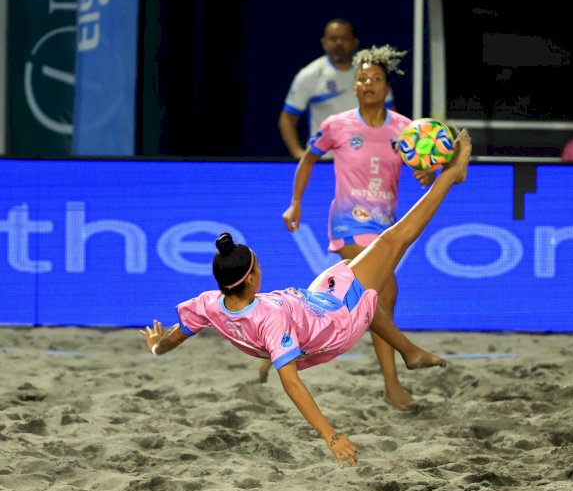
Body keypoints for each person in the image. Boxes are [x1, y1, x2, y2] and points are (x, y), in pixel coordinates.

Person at [140, 129, 472, 467]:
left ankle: (409, 351)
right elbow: (292, 384)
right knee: (395, 239)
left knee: (346, 267)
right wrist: (332, 436)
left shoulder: (209, 303)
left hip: (313, 301)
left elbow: (175, 337)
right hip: (333, 323)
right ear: (252, 278)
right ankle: (449, 176)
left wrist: (156, 346)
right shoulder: (269, 322)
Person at [276, 44, 435, 411]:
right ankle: (397, 378)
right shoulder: (337, 125)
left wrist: (427, 172)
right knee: (381, 292)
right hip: (347, 223)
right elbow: (308, 158)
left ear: (386, 87)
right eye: (362, 78)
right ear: (355, 86)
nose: (367, 83)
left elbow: (423, 169)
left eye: (375, 79)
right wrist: (296, 202)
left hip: (385, 226)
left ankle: (284, 349)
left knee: (375, 301)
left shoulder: (405, 128)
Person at [278, 18, 396, 160]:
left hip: (367, 161)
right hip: (325, 162)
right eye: (333, 39)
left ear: (354, 42)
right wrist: (299, 153)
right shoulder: (310, 75)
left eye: (344, 38)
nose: (339, 43)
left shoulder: (373, 74)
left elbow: (391, 116)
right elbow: (287, 118)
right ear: (324, 42)